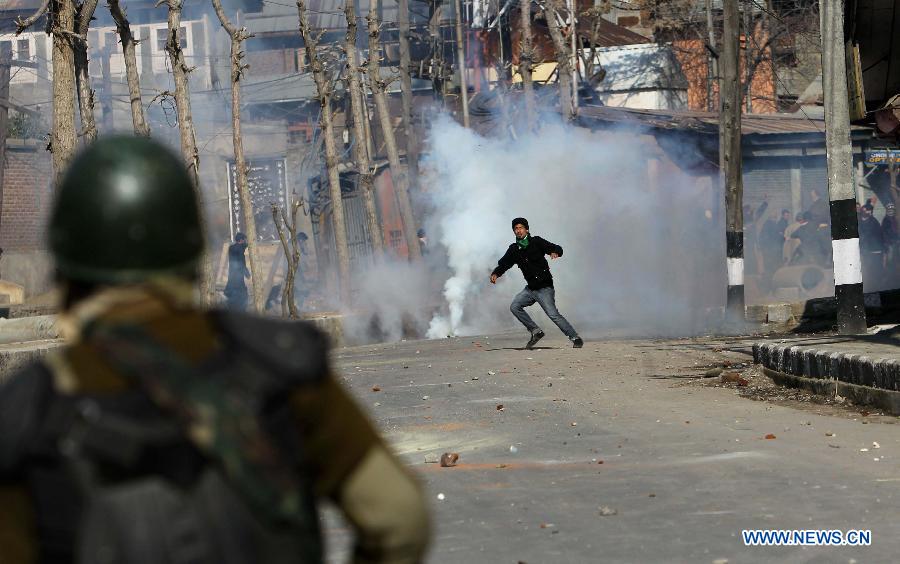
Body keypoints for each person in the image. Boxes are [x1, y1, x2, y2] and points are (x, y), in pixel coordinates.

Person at [0, 136, 430, 563]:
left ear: (65, 261)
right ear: (190, 246)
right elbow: (400, 518)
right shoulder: (276, 361)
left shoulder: (28, 409)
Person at [490, 217, 583, 349]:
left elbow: (557, 248)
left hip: (545, 288)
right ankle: (536, 331)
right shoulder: (514, 249)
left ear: (526, 229)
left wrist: (555, 252)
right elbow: (504, 264)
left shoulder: (536, 242)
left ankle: (575, 337)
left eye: (520, 227)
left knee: (553, 315)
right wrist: (496, 273)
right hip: (530, 289)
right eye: (515, 228)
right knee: (515, 306)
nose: (518, 230)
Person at [224, 231, 250, 310]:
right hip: (239, 275)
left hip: (232, 274)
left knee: (232, 290)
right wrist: (247, 273)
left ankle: (231, 307)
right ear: (241, 240)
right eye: (244, 240)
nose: (245, 241)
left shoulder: (231, 247)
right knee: (241, 294)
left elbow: (242, 246)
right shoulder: (239, 250)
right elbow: (242, 263)